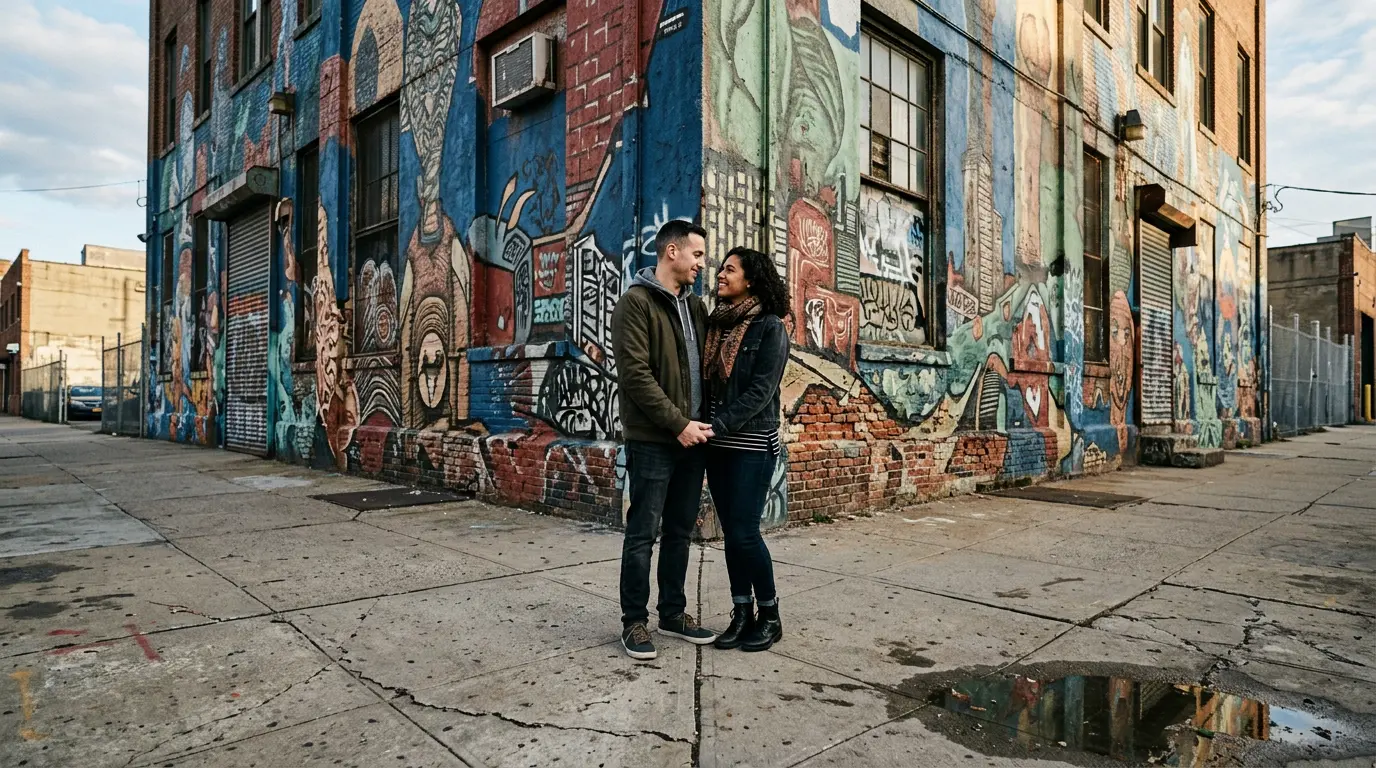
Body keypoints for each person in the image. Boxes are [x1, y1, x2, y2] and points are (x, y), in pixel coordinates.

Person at [610, 219, 719, 660]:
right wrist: (678, 424)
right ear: (671, 252)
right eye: (697, 255)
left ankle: (673, 612)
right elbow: (636, 376)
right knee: (643, 532)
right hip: (656, 439)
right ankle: (634, 621)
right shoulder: (634, 305)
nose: (701, 264)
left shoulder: (694, 309)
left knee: (679, 531)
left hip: (693, 440)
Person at [703, 246, 789, 652]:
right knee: (732, 536)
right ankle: (741, 614)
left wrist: (718, 423)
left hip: (752, 442)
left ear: (750, 280)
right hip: (717, 445)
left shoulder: (770, 327)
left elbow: (761, 391)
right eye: (721, 268)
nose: (721, 274)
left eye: (730, 270)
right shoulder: (715, 325)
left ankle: (770, 615)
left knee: (744, 532)